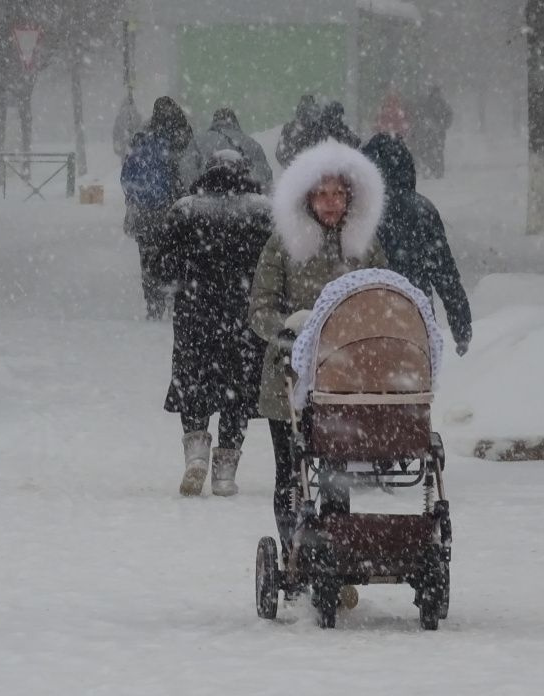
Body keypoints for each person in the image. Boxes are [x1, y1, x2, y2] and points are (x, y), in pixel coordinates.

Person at [248, 141, 388, 563]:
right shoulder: (283, 245)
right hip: (290, 381)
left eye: (338, 194)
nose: (331, 203)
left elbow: (384, 300)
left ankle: (334, 555)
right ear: (307, 198)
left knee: (335, 475)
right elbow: (260, 308)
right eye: (322, 194)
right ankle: (296, 554)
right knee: (290, 472)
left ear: (350, 198)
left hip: (344, 380)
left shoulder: (365, 248)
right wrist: (288, 333)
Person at [159, 151, 272, 496]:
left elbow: (162, 268)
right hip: (244, 317)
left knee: (195, 382)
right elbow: (276, 265)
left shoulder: (185, 209)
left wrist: (184, 283)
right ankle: (225, 471)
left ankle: (195, 455)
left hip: (196, 315)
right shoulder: (264, 211)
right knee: (236, 392)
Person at [361, 133, 472, 354]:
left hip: (365, 317)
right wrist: (461, 325)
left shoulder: (360, 210)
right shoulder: (422, 210)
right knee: (413, 380)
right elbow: (444, 272)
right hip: (414, 314)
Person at [121, 96, 200, 320]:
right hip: (176, 209)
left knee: (147, 256)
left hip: (145, 210)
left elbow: (127, 176)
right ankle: (175, 297)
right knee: (177, 253)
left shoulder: (142, 137)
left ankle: (153, 303)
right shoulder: (184, 137)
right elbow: (193, 171)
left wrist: (134, 200)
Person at [195, 108, 274, 192]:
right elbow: (265, 177)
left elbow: (188, 174)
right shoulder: (251, 144)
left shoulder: (198, 142)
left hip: (206, 195)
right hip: (245, 197)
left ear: (214, 122)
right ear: (235, 122)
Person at [413, 84, 453, 178]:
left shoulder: (443, 104)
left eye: (438, 92)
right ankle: (431, 169)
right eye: (435, 92)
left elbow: (449, 116)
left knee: (438, 151)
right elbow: (419, 115)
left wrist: (443, 126)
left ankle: (439, 171)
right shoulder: (426, 103)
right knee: (427, 151)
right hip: (428, 133)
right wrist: (423, 124)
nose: (436, 95)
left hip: (439, 133)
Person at [275, 95, 324, 168]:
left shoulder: (319, 129)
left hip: (304, 171)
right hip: (310, 171)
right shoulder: (320, 128)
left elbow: (281, 154)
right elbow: (281, 154)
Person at [112, 94, 143, 161]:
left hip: (128, 149)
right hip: (134, 150)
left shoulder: (119, 118)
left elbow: (115, 134)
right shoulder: (137, 117)